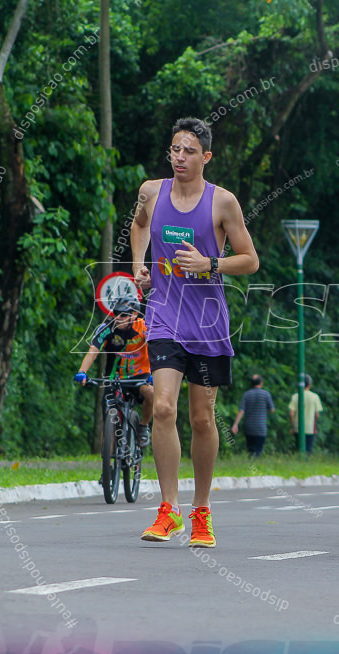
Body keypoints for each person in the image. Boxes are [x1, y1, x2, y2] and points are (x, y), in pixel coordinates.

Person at [130, 117, 259, 548]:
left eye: (188, 151)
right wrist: (139, 265)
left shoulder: (222, 203)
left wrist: (211, 264)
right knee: (163, 408)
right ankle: (168, 510)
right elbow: (138, 225)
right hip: (165, 313)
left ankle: (201, 509)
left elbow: (250, 260)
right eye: (174, 150)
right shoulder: (152, 191)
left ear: (205, 156)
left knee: (202, 418)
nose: (179, 158)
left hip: (206, 320)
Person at [74, 296, 155, 448]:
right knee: (109, 417)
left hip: (140, 376)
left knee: (151, 392)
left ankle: (143, 426)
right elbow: (93, 351)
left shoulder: (144, 327)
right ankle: (109, 465)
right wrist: (82, 372)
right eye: (116, 313)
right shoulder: (106, 328)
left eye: (123, 315)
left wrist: (154, 374)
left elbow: (156, 348)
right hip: (114, 377)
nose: (118, 318)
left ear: (134, 315)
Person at [232, 374, 275, 458]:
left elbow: (241, 410)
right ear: (261, 383)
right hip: (261, 427)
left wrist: (235, 424)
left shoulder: (247, 394)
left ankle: (251, 465)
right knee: (258, 450)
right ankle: (256, 466)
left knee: (250, 450)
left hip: (249, 426)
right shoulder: (266, 394)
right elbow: (272, 410)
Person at [288, 374, 323, 454]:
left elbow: (291, 414)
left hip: (298, 428)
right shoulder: (315, 397)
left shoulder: (295, 396)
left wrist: (293, 427)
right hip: (310, 428)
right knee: (308, 451)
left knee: (298, 450)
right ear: (309, 384)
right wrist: (314, 423)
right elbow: (317, 415)